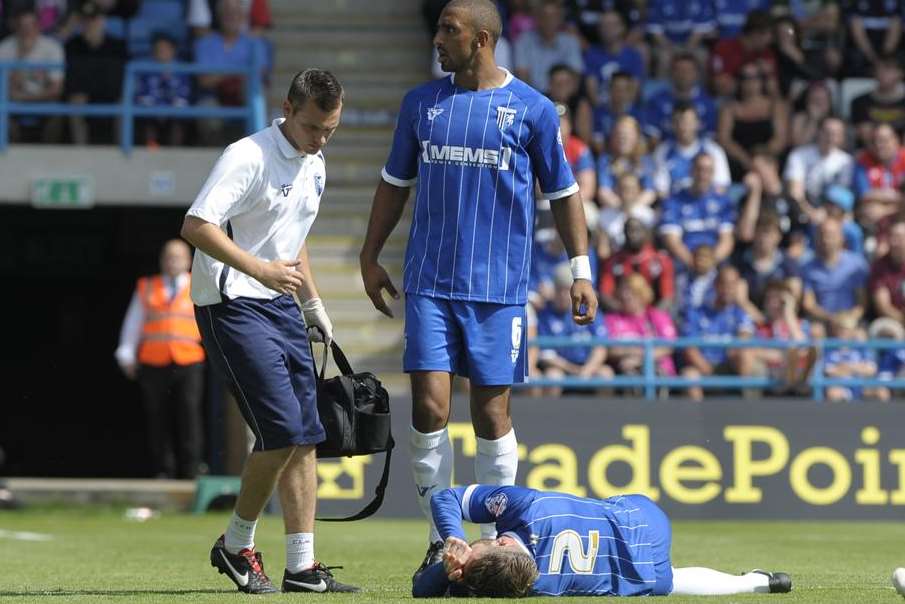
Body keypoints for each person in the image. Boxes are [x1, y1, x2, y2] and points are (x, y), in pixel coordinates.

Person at [359, 0, 598, 578]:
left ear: (483, 39)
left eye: (449, 30)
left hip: (499, 291)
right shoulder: (421, 104)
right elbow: (395, 183)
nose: (438, 38)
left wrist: (581, 269)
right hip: (431, 284)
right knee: (429, 406)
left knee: (491, 417)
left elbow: (563, 194)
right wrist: (369, 256)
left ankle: (493, 543)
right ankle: (444, 539)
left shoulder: (532, 110)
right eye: (439, 27)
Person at [180, 69, 358, 594]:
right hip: (231, 303)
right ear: (286, 108)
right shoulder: (247, 156)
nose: (320, 139)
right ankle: (236, 546)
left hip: (280, 304)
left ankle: (301, 567)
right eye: (311, 128)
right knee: (282, 431)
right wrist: (259, 270)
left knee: (306, 437)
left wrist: (313, 302)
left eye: (330, 129)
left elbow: (291, 237)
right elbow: (196, 225)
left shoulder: (315, 161)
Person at [413, 484, 793, 597]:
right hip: (641, 518)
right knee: (668, 581)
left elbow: (420, 589)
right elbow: (447, 495)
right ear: (504, 546)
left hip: (641, 569)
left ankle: (756, 582)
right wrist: (459, 548)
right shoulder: (526, 506)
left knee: (670, 582)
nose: (471, 547)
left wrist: (450, 561)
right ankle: (760, 580)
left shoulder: (533, 585)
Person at [115, 240, 205, 479]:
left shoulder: (199, 285)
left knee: (189, 415)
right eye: (168, 256)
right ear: (161, 260)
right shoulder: (147, 286)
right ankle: (163, 470)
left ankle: (191, 471)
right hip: (153, 362)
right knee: (158, 417)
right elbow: (134, 323)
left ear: (188, 261)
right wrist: (126, 353)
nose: (173, 261)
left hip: (189, 361)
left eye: (178, 257)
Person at [535, 264, 613, 396]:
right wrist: (573, 370)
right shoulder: (544, 315)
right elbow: (546, 355)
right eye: (560, 289)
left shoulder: (588, 309)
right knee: (552, 378)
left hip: (588, 366)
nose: (564, 295)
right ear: (554, 289)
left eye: (568, 290)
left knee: (606, 375)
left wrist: (587, 370)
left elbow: (601, 347)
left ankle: (603, 415)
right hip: (560, 368)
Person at [63, 1, 127, 145]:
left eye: (94, 19)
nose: (90, 24)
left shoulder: (117, 45)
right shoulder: (72, 45)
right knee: (76, 101)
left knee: (123, 102)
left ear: (102, 21)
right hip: (82, 93)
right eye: (86, 20)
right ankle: (81, 149)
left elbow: (119, 76)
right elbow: (72, 78)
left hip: (110, 92)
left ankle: (122, 149)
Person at [659, 153, 735, 269]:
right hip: (684, 264)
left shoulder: (723, 202)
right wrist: (694, 263)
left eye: (708, 170)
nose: (703, 175)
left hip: (714, 265)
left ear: (713, 173)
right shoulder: (674, 201)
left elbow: (727, 240)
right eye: (699, 169)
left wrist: (709, 263)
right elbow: (672, 240)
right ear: (691, 170)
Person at [0, 6, 64, 142]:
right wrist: (22, 55)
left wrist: (25, 98)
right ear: (16, 27)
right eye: (23, 26)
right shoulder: (4, 48)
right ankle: (9, 156)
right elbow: (6, 89)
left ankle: (51, 158)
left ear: (39, 26)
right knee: (3, 115)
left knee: (57, 116)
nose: (27, 31)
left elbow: (56, 90)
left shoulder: (52, 47)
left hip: (43, 100)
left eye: (31, 25)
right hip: (13, 103)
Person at [717, 61, 788, 180]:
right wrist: (746, 160)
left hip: (768, 160)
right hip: (738, 162)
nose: (750, 82)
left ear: (762, 80)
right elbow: (725, 139)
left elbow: (781, 138)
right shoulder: (729, 108)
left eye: (755, 77)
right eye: (745, 78)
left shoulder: (776, 106)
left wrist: (764, 154)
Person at [652, 102, 731, 198]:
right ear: (672, 124)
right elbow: (661, 190)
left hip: (708, 207)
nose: (683, 127)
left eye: (687, 122)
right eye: (678, 121)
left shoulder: (713, 150)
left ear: (697, 123)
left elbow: (721, 186)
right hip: (675, 207)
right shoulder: (662, 152)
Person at [605, 273, 677, 378]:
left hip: (659, 369)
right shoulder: (612, 319)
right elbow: (611, 349)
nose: (626, 296)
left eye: (632, 292)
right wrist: (635, 354)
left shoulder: (657, 316)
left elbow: (668, 346)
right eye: (623, 292)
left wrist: (640, 358)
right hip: (626, 370)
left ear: (642, 295)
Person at [599, 217, 674, 312]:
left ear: (646, 233)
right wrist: (627, 315)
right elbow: (605, 294)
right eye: (628, 231)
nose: (632, 235)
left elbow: (667, 297)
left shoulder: (661, 260)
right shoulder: (613, 261)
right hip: (622, 315)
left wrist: (650, 317)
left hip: (653, 316)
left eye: (636, 230)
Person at [135, 32, 192, 147]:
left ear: (173, 51)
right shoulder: (146, 71)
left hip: (174, 112)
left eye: (165, 49)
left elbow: (184, 96)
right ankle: (151, 153)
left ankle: (175, 156)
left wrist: (170, 109)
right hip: (151, 111)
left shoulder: (182, 71)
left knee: (177, 126)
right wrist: (155, 108)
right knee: (148, 126)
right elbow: (142, 95)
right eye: (158, 49)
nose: (161, 52)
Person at [513, 0, 583, 92]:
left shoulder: (570, 42)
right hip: (533, 98)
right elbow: (522, 77)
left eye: (553, 17)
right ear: (537, 18)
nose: (549, 21)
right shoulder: (523, 41)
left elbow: (575, 77)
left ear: (560, 19)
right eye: (544, 17)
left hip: (564, 98)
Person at [849, 55, 905, 148]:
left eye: (888, 68)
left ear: (900, 73)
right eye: (879, 68)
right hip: (869, 155)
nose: (882, 73)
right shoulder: (859, 102)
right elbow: (865, 137)